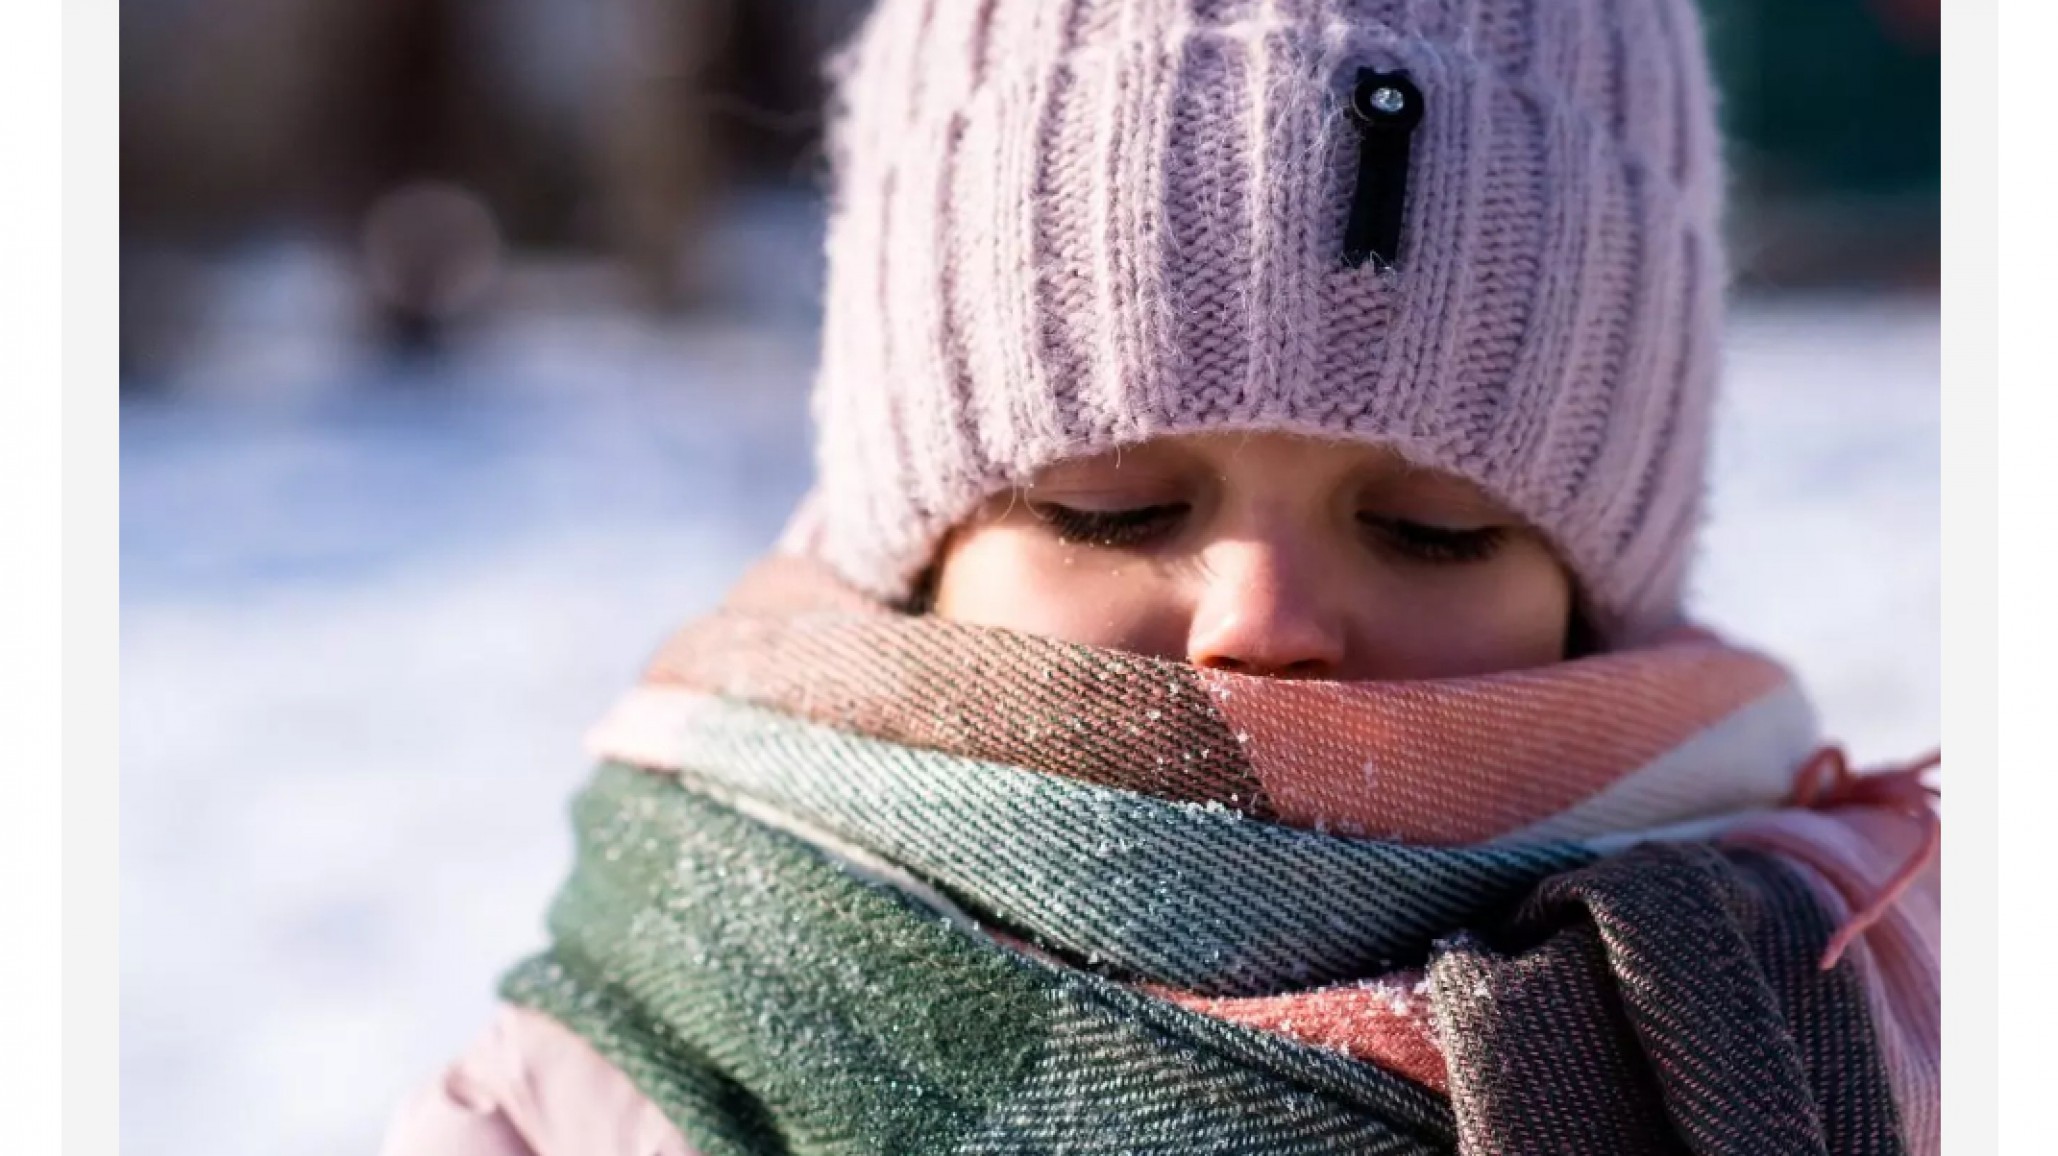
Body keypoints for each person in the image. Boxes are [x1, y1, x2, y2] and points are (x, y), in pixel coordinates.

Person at [382, 0, 1940, 1152]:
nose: (1258, 620)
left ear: (1601, 592)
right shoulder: (600, 1090)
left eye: (1431, 526)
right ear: (917, 550)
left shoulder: (1866, 1022)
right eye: (1109, 506)